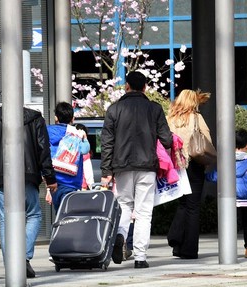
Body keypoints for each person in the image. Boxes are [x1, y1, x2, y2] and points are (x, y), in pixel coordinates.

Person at [100, 71, 172, 268]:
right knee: (143, 212)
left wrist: (106, 171)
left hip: (121, 167)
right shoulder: (154, 108)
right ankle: (140, 258)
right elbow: (167, 139)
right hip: (147, 166)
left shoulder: (114, 109)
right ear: (145, 87)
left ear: (126, 86)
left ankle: (120, 236)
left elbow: (107, 142)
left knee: (124, 205)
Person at [0, 106, 57, 278]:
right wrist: (50, 178)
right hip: (28, 175)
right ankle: (23, 257)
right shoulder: (35, 118)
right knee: (34, 215)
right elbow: (43, 149)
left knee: (6, 220)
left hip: (2, 177)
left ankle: (12, 266)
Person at [206, 128, 247, 258]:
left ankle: (228, 250)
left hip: (231, 199)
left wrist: (205, 173)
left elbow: (214, 177)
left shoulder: (225, 161)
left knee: (231, 224)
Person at [166, 89, 212, 259]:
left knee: (183, 203)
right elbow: (206, 141)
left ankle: (176, 240)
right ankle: (189, 249)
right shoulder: (196, 118)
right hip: (193, 164)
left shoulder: (170, 118)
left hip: (176, 165)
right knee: (193, 207)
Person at [47, 102, 90, 210]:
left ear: (56, 117)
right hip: (72, 182)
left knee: (59, 213)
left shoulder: (48, 131)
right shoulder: (76, 133)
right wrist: (84, 138)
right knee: (69, 216)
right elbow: (85, 150)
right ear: (73, 119)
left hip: (54, 181)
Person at [74, 123, 94, 190]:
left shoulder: (68, 150)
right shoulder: (84, 153)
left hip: (70, 185)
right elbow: (88, 174)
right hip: (81, 187)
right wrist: (92, 187)